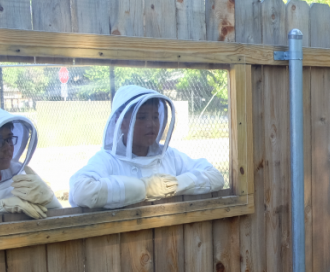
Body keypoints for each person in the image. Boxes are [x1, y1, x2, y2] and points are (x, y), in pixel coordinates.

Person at [69, 85, 225, 209]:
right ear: (121, 122)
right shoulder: (107, 160)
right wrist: (145, 188)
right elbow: (80, 191)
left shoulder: (168, 155)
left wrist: (176, 184)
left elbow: (215, 177)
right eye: (142, 117)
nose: (152, 124)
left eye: (155, 117)